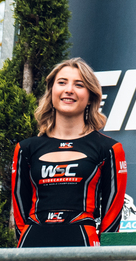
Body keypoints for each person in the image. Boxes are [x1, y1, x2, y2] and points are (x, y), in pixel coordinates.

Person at [10, 58, 128, 249]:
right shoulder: (25, 149)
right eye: (62, 82)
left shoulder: (109, 149)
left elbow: (112, 217)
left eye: (79, 85)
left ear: (90, 96)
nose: (69, 90)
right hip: (32, 245)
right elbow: (20, 214)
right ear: (51, 91)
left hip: (83, 246)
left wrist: (103, 256)